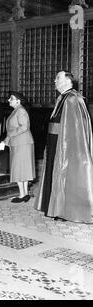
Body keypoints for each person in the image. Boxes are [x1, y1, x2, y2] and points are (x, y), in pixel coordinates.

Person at [35, 71, 93, 223]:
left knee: (65, 176)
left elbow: (76, 129)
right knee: (54, 174)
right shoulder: (64, 97)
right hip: (56, 141)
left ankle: (64, 211)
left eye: (58, 78)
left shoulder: (73, 99)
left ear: (68, 81)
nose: (55, 81)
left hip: (67, 145)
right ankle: (54, 207)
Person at [0, 91, 35, 202]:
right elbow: (13, 130)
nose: (9, 100)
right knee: (20, 169)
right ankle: (23, 194)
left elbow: (24, 127)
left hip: (22, 143)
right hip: (18, 142)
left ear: (18, 101)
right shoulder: (17, 110)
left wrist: (6, 140)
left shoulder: (21, 111)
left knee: (19, 168)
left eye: (11, 98)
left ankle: (23, 194)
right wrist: (5, 141)